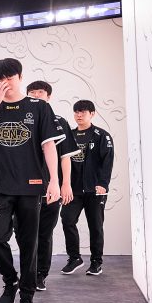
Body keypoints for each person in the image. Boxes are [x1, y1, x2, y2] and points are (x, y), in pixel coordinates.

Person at [0, 58, 64, 303]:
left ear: (20, 77)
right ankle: (10, 280)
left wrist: (54, 181)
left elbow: (49, 146)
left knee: (29, 243)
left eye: (9, 77)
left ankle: (27, 297)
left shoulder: (39, 107)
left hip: (31, 185)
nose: (4, 83)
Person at [25, 81, 80, 290]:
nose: (36, 95)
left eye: (40, 92)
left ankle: (40, 275)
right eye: (32, 92)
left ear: (48, 97)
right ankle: (27, 274)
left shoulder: (59, 122)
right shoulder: (22, 119)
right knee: (26, 234)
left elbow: (65, 157)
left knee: (44, 233)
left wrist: (66, 184)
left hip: (51, 187)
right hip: (25, 189)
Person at [60, 100, 114, 276]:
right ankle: (74, 258)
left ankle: (96, 262)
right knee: (67, 220)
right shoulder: (69, 135)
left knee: (95, 226)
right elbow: (62, 160)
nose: (79, 115)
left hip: (94, 190)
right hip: (73, 190)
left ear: (92, 114)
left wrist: (103, 184)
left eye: (83, 112)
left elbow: (107, 161)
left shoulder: (101, 136)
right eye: (76, 112)